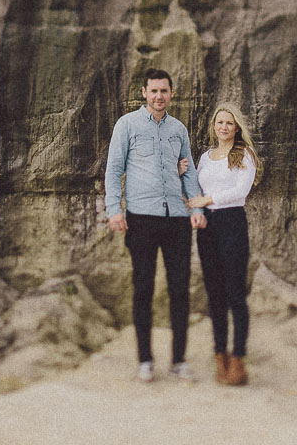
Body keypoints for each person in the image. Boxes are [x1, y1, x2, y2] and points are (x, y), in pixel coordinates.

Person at [105, 69, 207, 382]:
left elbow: (188, 172)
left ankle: (178, 360)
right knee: (143, 288)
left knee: (180, 290)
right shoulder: (127, 125)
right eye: (153, 91)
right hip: (142, 217)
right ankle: (145, 360)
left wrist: (196, 206)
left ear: (171, 94)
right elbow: (114, 169)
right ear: (144, 92)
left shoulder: (178, 129)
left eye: (164, 91)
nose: (158, 96)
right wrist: (114, 209)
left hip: (177, 218)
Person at [187, 102, 258, 387]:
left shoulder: (245, 155)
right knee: (214, 293)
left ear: (237, 127)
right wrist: (197, 205)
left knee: (235, 293)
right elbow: (194, 186)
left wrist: (207, 200)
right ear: (214, 127)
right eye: (220, 123)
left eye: (229, 123)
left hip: (232, 223)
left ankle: (238, 357)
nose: (224, 127)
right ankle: (220, 355)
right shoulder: (205, 157)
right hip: (207, 227)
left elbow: (240, 191)